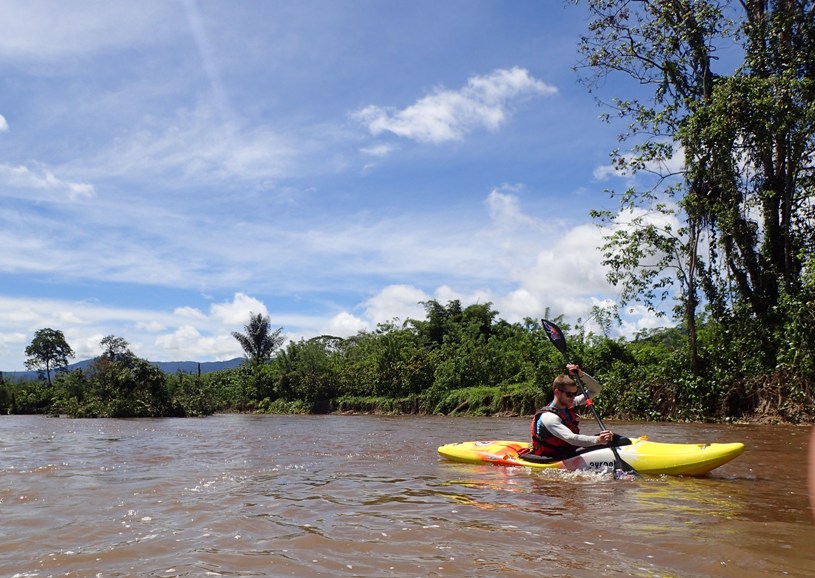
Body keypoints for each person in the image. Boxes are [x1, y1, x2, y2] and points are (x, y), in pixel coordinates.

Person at [527, 363, 615, 459]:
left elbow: (596, 390)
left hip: (568, 452)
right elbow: (571, 438)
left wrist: (582, 375)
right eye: (569, 394)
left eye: (575, 394)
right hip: (552, 458)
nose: (573, 398)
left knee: (617, 439)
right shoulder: (549, 417)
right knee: (603, 441)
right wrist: (598, 440)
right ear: (557, 392)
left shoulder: (570, 403)